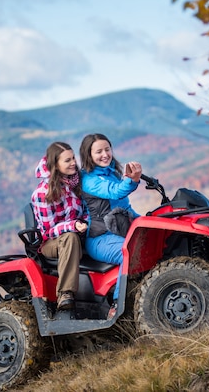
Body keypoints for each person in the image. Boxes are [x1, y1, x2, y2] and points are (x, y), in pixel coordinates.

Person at [79, 133, 142, 315]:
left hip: (121, 230)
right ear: (88, 155)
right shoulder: (88, 180)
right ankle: (117, 306)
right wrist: (132, 180)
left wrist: (149, 220)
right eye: (98, 151)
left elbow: (126, 209)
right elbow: (115, 193)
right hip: (101, 238)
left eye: (107, 149)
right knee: (128, 252)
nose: (105, 154)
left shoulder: (113, 173)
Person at [31, 142, 89, 311]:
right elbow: (48, 231)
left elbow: (85, 210)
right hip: (51, 242)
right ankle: (65, 293)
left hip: (78, 232)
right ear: (55, 165)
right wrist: (73, 226)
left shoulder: (75, 183)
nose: (73, 163)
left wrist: (85, 222)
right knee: (69, 238)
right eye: (67, 160)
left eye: (73, 158)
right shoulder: (43, 193)